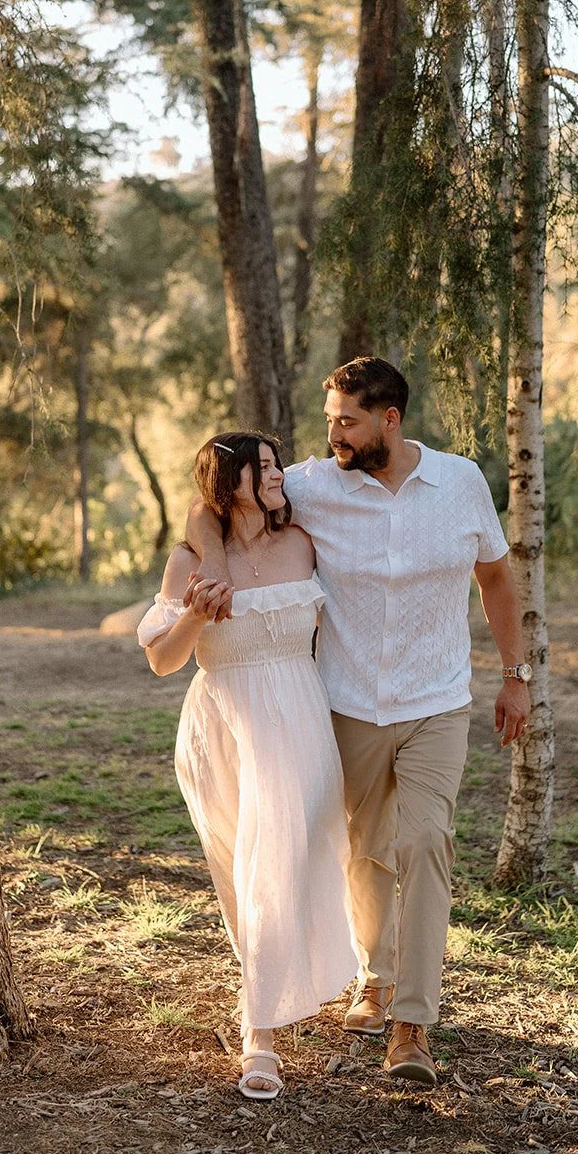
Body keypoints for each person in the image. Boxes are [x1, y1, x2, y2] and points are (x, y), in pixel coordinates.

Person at [187, 357, 532, 1089]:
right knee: (363, 851)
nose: (333, 434)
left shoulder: (459, 482)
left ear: (390, 420)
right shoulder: (312, 485)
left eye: (346, 421)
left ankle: (411, 1025)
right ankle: (372, 977)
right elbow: (210, 506)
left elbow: (495, 575)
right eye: (330, 421)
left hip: (436, 700)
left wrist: (515, 675)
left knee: (424, 840)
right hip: (344, 703)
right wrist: (211, 575)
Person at [137, 431, 356, 1101]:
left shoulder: (304, 542)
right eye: (259, 467)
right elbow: (162, 660)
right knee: (244, 873)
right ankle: (262, 1008)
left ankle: (257, 1028)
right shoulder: (191, 561)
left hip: (300, 713)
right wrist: (197, 617)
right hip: (224, 722)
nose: (275, 474)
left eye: (275, 463)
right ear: (224, 481)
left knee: (285, 859)